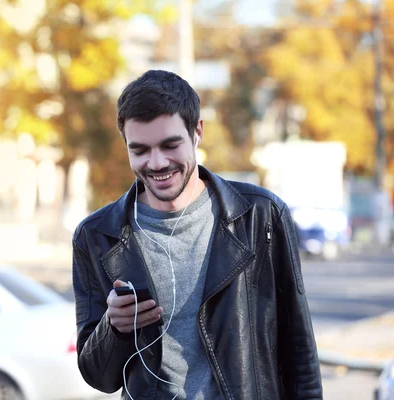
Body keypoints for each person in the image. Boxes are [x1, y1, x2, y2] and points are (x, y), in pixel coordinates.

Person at [71, 70, 323, 399]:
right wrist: (113, 327)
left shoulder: (261, 216)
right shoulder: (96, 236)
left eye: (169, 145)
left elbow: (300, 350)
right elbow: (98, 378)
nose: (157, 162)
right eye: (140, 150)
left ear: (197, 132)